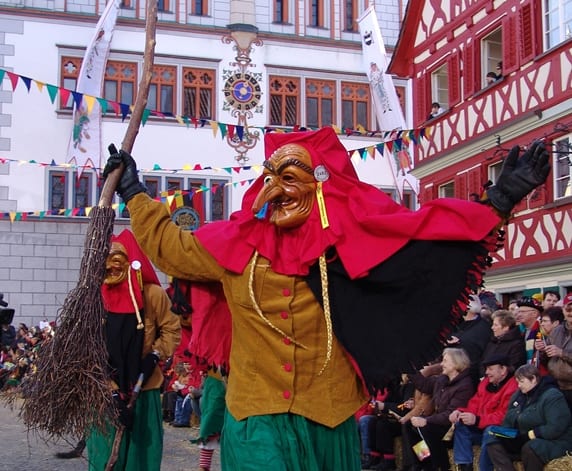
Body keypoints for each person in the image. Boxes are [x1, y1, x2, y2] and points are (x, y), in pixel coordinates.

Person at [103, 127, 549, 470]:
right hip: (256, 416)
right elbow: (169, 247)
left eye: (291, 177)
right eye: (270, 177)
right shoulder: (234, 244)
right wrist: (134, 191)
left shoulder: (353, 246)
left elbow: (427, 242)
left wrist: (499, 200)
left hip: (327, 417)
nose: (277, 188)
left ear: (320, 186)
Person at [86, 230, 181, 471]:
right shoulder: (94, 298)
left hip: (144, 388)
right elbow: (88, 346)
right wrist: (113, 392)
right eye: (109, 262)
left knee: (142, 455)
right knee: (104, 455)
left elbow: (172, 330)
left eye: (119, 261)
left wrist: (154, 355)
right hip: (103, 393)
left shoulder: (153, 295)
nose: (113, 269)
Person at [486, 364, 572, 471]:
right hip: (523, 440)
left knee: (531, 447)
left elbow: (556, 427)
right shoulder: (518, 395)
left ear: (533, 379)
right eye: (517, 382)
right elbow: (508, 419)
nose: (519, 386)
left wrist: (530, 435)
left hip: (555, 442)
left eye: (522, 382)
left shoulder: (552, 396)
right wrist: (505, 435)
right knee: (493, 442)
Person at [402, 348, 475, 471]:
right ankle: (423, 462)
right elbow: (424, 385)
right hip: (439, 420)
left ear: (456, 363)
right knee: (409, 425)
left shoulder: (465, 385)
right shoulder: (442, 379)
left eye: (445, 361)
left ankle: (441, 466)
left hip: (452, 425)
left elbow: (450, 414)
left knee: (425, 427)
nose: (442, 364)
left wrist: (427, 420)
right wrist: (409, 369)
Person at [449, 354, 518, 471]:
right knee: (460, 425)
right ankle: (464, 466)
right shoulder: (485, 383)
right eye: (486, 369)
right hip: (483, 427)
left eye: (490, 369)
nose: (486, 372)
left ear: (503, 370)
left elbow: (504, 417)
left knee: (490, 430)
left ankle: (484, 468)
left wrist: (477, 420)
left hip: (508, 432)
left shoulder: (513, 387)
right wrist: (460, 412)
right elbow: (474, 404)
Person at [535, 293, 572, 410]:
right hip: (558, 385)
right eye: (568, 308)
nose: (570, 312)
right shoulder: (557, 331)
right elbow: (548, 359)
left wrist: (562, 353)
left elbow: (559, 353)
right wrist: (542, 350)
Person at [445, 294, 492, 386]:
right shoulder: (458, 324)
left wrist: (459, 342)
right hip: (453, 373)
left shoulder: (483, 328)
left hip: (469, 377)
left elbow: (476, 351)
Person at [481, 309, 526, 375]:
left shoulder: (517, 345)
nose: (492, 328)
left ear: (506, 327)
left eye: (496, 325)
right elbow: (483, 362)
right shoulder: (492, 342)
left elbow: (514, 366)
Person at [516, 296, 542, 363]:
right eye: (518, 312)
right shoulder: (518, 331)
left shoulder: (542, 331)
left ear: (534, 314)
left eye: (523, 312)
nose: (519, 315)